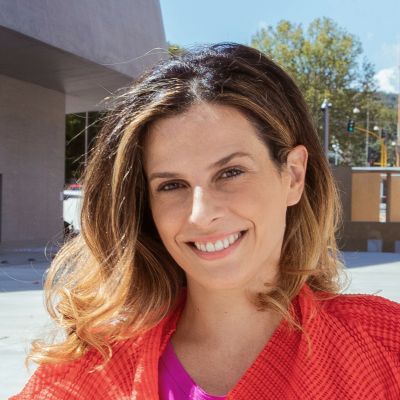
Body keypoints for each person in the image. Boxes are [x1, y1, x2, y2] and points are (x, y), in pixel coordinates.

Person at [11, 43, 400, 400]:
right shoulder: (88, 372)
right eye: (171, 185)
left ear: (294, 176)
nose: (201, 214)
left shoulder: (383, 347)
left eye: (230, 172)